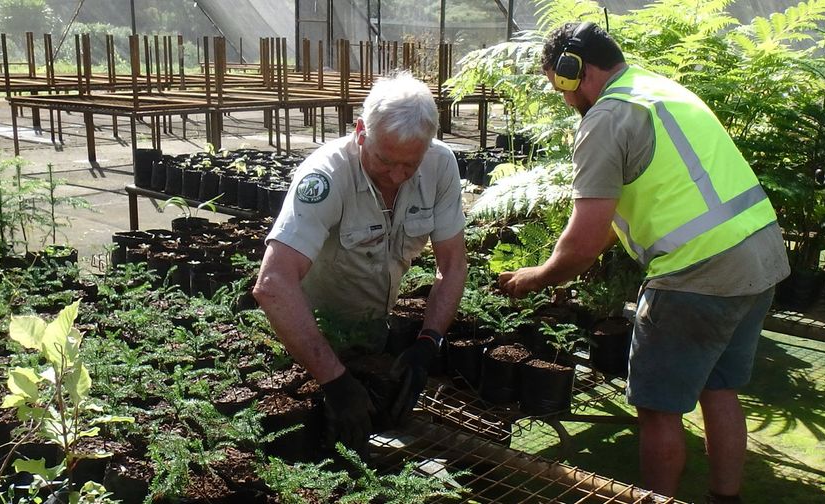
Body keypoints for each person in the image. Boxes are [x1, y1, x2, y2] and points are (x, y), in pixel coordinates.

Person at [496, 22, 789, 503]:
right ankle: (726, 497)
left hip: (697, 274)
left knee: (656, 411)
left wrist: (539, 275)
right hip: (759, 260)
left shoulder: (607, 117)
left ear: (575, 69)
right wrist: (580, 255)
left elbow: (587, 235)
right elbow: (641, 207)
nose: (566, 101)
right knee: (720, 389)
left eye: (562, 86)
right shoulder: (659, 89)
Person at [252, 71, 467, 451]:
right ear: (361, 131)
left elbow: (452, 264)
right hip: (305, 338)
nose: (398, 175)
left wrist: (428, 342)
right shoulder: (325, 176)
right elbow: (274, 284)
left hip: (371, 334)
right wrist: (333, 380)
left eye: (410, 164)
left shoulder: (440, 165)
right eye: (386, 161)